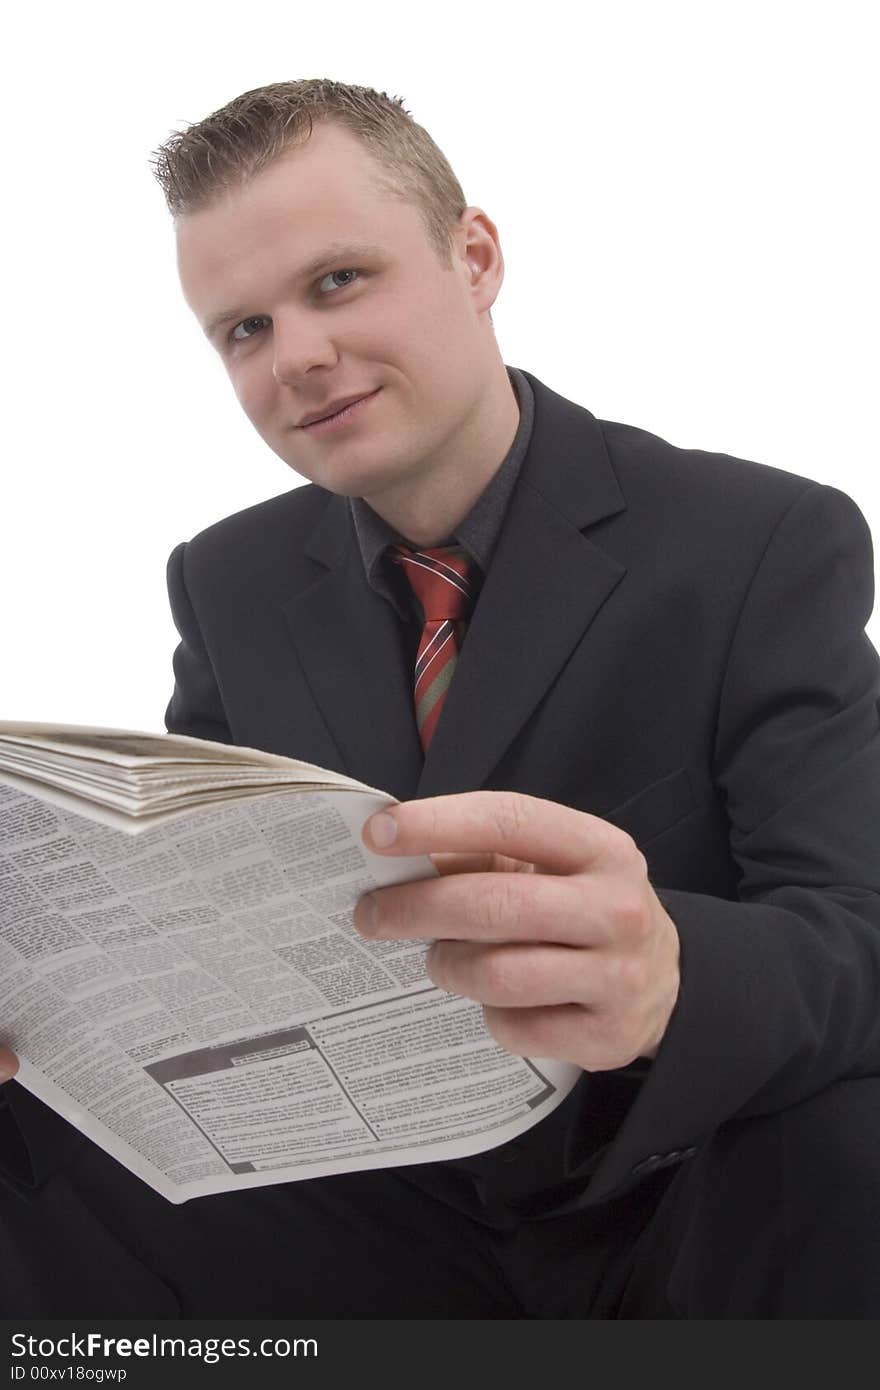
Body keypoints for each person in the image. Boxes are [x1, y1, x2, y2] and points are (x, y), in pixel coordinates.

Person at [1, 77, 879, 1319]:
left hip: (672, 1199)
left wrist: (673, 978)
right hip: (367, 1205)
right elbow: (193, 913)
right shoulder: (227, 580)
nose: (297, 354)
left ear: (473, 257)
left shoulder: (757, 540)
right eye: (243, 330)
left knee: (845, 1138)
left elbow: (858, 929)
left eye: (337, 282)